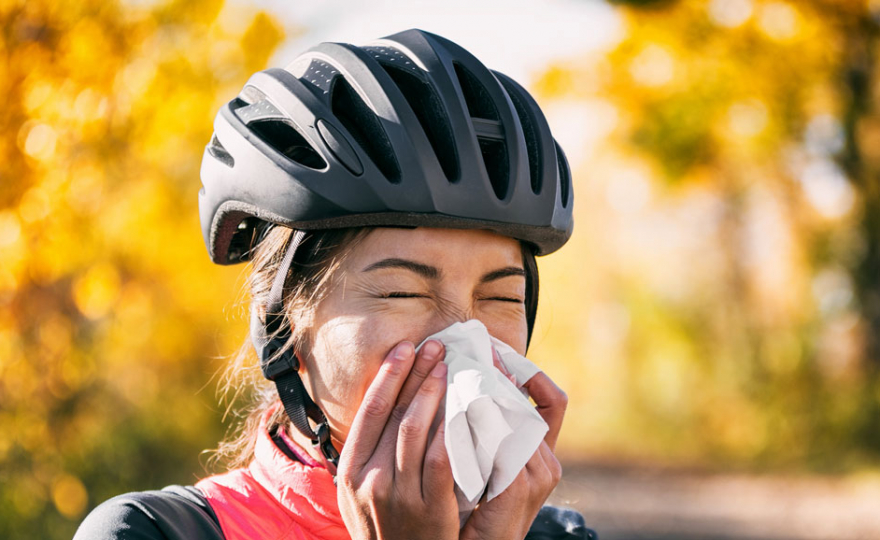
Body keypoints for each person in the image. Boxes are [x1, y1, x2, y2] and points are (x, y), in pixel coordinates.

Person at [74, 28, 595, 540]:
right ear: (282, 329)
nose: (464, 340)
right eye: (402, 292)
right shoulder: (152, 532)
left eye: (500, 297)